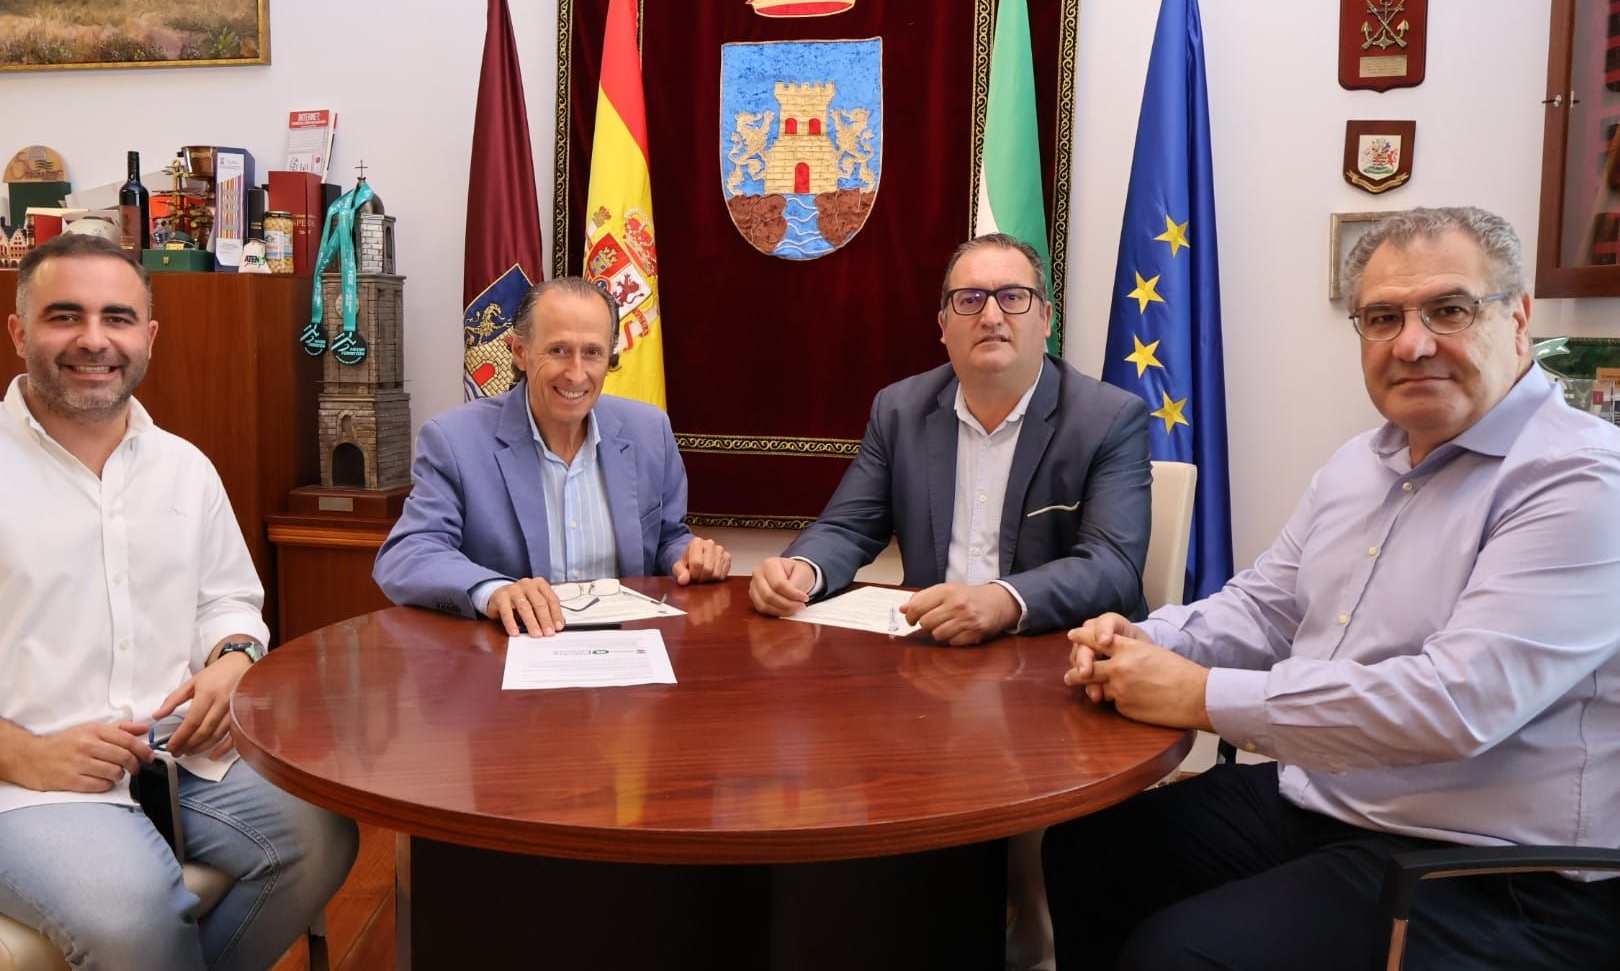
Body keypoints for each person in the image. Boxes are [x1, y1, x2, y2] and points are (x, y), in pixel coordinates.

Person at [1044, 207, 1620, 969]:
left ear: (1518, 317)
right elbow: (1266, 605)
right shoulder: (1359, 462)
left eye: (1448, 310)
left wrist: (1200, 694)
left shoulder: (1582, 479)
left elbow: (1454, 705)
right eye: (1382, 317)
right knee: (1089, 849)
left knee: (1177, 953)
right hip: (1334, 799)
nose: (1412, 344)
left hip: (1501, 867)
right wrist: (1146, 640)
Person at [0, 234, 357, 971]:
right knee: (133, 923)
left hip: (178, 755)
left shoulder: (184, 467)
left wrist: (233, 658)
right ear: (18, 332)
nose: (94, 340)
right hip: (26, 781)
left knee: (322, 836)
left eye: (118, 318)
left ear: (149, 337)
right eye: (65, 316)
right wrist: (23, 753)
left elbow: (227, 598)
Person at [748, 232, 1151, 645]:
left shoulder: (1108, 419)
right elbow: (847, 528)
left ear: (1045, 319)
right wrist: (802, 570)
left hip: (1058, 656)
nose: (992, 316)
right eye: (970, 299)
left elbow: (1113, 566)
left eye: (1013, 297)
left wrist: (1003, 601)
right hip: (934, 657)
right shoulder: (899, 410)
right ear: (943, 325)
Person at [375, 276, 730, 637]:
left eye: (592, 352)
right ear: (519, 351)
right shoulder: (454, 440)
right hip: (510, 657)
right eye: (558, 350)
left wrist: (690, 556)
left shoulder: (649, 431)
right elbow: (408, 553)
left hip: (625, 653)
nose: (576, 374)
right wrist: (494, 591)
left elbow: (669, 538)